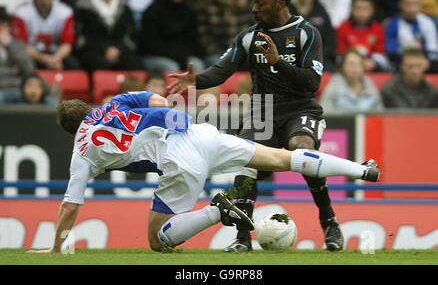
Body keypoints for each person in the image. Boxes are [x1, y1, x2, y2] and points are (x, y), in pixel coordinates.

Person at [27, 91, 379, 253]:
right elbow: (159, 102)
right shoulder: (114, 103)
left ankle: (217, 210)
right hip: (199, 132)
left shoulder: (82, 149)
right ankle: (361, 169)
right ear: (89, 109)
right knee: (282, 158)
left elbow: (71, 204)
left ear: (71, 131)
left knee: (157, 241)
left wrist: (58, 250)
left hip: (178, 158)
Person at [168, 0, 347, 252]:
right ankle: (242, 238)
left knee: (303, 150)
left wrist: (278, 62)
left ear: (280, 3)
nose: (253, 8)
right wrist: (196, 81)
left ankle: (329, 221)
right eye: (252, 1)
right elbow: (221, 71)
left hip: (301, 108)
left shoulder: (306, 33)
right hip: (262, 111)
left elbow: (312, 83)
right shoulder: (248, 37)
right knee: (246, 162)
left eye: (259, 1)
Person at [75, 0, 144, 73]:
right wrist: (105, 49)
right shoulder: (83, 6)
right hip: (92, 51)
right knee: (99, 66)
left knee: (136, 66)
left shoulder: (124, 5)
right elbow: (81, 37)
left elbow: (132, 35)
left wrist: (118, 49)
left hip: (121, 50)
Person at [140, 0, 204, 76]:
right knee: (171, 67)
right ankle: (173, 94)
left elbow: (192, 41)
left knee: (197, 64)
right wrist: (179, 56)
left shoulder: (189, 11)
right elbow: (151, 45)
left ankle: (196, 94)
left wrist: (182, 55)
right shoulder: (153, 10)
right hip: (153, 56)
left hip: (181, 56)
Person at [11, 0, 80, 70]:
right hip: (32, 54)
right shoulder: (21, 13)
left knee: (74, 65)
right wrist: (44, 59)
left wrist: (55, 58)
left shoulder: (65, 12)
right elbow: (21, 45)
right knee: (23, 63)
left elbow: (67, 44)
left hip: (56, 54)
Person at [197, 0, 253, 67]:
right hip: (216, 54)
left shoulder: (249, 7)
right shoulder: (209, 8)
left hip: (244, 53)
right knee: (217, 62)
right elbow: (204, 37)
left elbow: (254, 34)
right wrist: (225, 54)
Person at [289, 0, 336, 72]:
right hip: (291, 61)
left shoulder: (320, 10)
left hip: (319, 61)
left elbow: (330, 39)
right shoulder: (285, 10)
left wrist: (317, 58)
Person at [385, 0, 438, 72]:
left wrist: (423, 60)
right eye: (408, 4)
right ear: (400, 4)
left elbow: (433, 49)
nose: (412, 8)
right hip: (401, 62)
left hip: (425, 61)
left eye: (415, 4)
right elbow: (391, 51)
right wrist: (409, 61)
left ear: (421, 4)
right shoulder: (393, 23)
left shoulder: (427, 22)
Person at [337, 0, 390, 72]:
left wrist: (370, 62)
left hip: (370, 63)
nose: (361, 13)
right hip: (349, 62)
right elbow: (341, 51)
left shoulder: (377, 28)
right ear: (351, 9)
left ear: (372, 11)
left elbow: (379, 52)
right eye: (358, 8)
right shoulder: (343, 27)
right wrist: (359, 61)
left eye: (365, 9)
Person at [0, 7, 34, 94]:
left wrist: (9, 44)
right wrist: (14, 71)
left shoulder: (18, 45)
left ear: (9, 27)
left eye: (3, 24)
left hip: (16, 90)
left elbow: (29, 70)